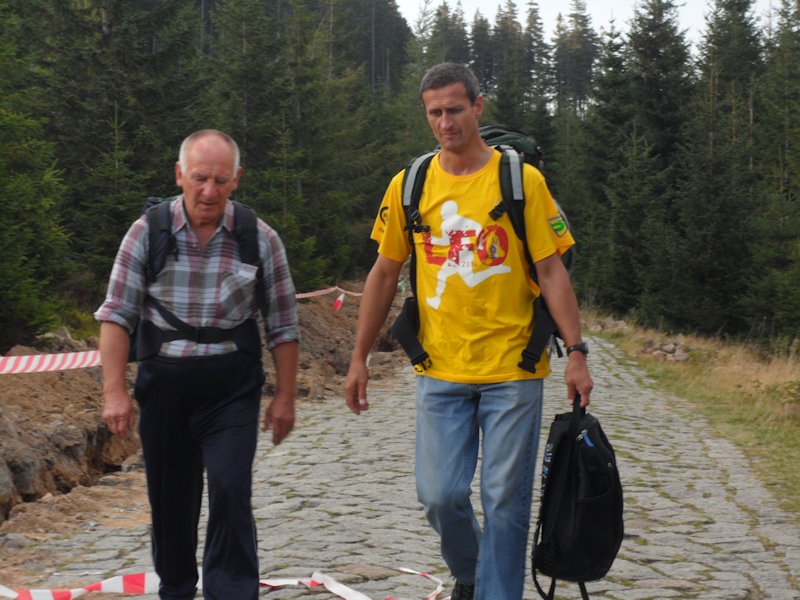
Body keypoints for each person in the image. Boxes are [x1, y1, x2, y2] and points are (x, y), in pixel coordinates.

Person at [344, 63, 593, 600]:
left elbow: (551, 271)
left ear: (478, 107)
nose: (445, 122)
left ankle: (495, 593)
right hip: (440, 367)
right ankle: (473, 571)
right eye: (434, 112)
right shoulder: (410, 185)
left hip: (514, 369)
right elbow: (385, 272)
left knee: (506, 498)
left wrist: (576, 353)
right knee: (438, 494)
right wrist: (359, 356)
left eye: (455, 109)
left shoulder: (521, 181)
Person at [95, 129, 299, 600]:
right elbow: (117, 315)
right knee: (171, 500)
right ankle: (177, 588)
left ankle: (232, 592)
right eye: (200, 178)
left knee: (230, 488)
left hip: (231, 390)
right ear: (179, 175)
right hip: (163, 387)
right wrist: (114, 391)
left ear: (237, 180)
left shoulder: (259, 238)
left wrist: (285, 399)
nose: (209, 191)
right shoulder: (147, 232)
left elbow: (284, 326)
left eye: (220, 180)